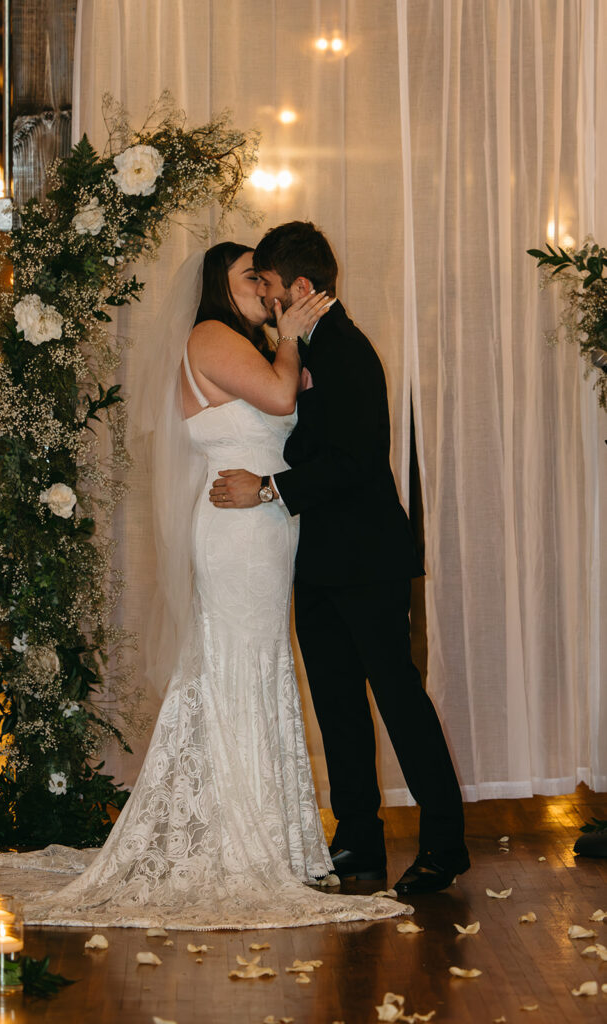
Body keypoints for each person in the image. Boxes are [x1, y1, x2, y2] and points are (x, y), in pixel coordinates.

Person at [0, 243, 410, 931]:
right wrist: (292, 341)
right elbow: (276, 396)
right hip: (239, 528)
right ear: (220, 286)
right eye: (252, 279)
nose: (266, 292)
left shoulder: (252, 344)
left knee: (260, 668)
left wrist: (291, 347)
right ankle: (240, 837)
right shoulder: (210, 336)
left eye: (268, 280)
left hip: (268, 522)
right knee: (237, 665)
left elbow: (301, 415)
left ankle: (270, 832)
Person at [209, 222, 469, 895]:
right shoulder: (303, 347)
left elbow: (353, 464)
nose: (263, 297)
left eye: (265, 284)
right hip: (318, 560)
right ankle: (357, 840)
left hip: (368, 559)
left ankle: (444, 844)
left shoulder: (348, 351)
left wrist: (267, 486)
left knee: (398, 702)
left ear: (297, 287)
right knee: (337, 707)